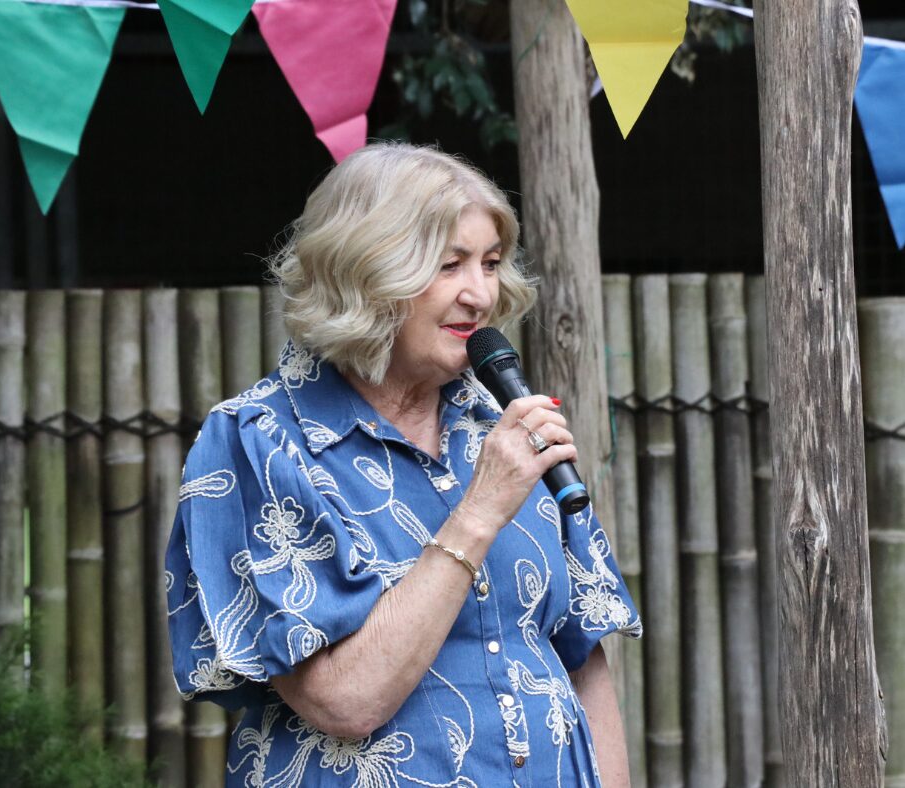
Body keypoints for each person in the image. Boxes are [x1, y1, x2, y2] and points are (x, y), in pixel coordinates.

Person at [166, 142, 642, 787]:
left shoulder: (500, 428)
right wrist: (479, 512)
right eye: (449, 265)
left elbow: (582, 655)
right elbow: (344, 701)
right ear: (364, 271)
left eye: (491, 263)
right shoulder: (260, 441)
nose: (480, 294)